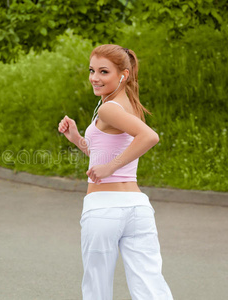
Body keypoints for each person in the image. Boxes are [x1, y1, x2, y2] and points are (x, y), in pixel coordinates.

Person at [57, 44, 173, 300]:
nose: (94, 78)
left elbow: (149, 137)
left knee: (97, 289)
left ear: (124, 74)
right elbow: (103, 154)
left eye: (103, 71)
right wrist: (76, 138)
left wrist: (111, 167)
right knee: (151, 288)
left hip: (103, 210)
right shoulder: (126, 103)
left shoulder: (109, 108)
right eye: (91, 70)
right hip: (137, 209)